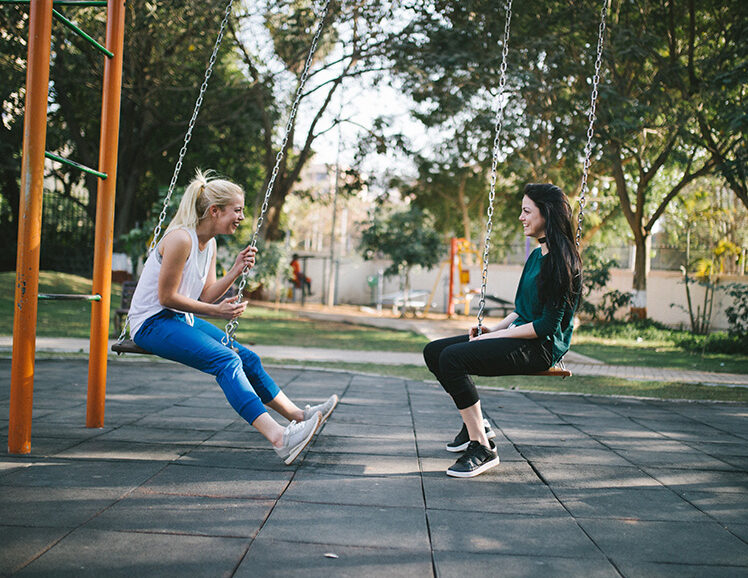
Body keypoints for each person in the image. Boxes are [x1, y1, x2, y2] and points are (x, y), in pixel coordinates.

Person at [128, 170, 338, 465]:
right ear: (215, 211)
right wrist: (217, 312)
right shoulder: (179, 239)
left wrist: (236, 269)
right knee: (226, 360)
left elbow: (207, 295)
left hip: (177, 320)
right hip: (151, 323)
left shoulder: (209, 243)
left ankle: (299, 416)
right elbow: (166, 298)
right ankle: (280, 438)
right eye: (236, 210)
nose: (240, 216)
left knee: (247, 358)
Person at [423, 184, 582, 478]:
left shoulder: (562, 262)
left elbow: (546, 325)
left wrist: (495, 336)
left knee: (452, 359)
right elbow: (522, 309)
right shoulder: (536, 256)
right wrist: (492, 328)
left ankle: (482, 447)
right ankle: (477, 424)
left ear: (546, 213)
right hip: (522, 333)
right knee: (434, 352)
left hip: (542, 346)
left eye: (526, 211)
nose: (521, 217)